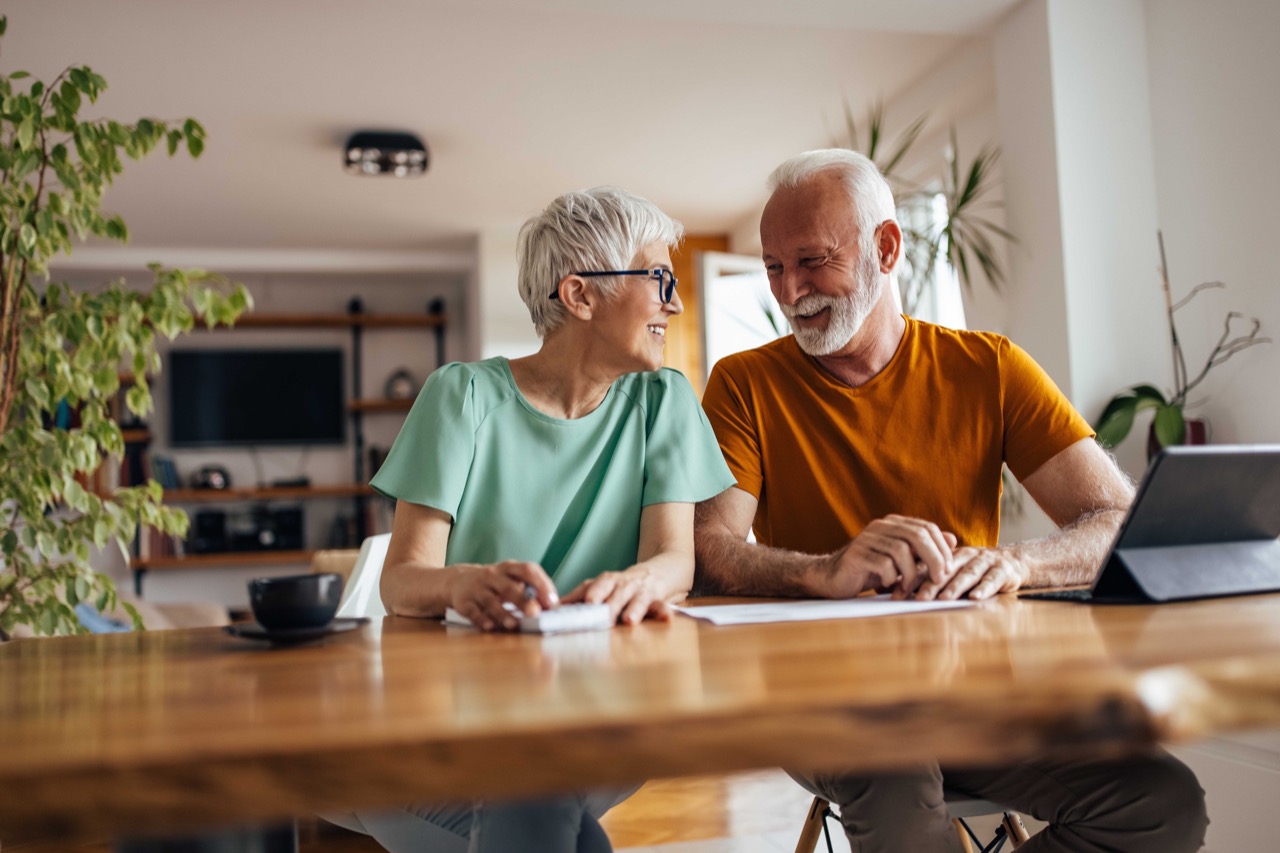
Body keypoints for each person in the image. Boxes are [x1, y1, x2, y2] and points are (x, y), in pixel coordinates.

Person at [694, 149, 1208, 852]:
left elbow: (1117, 520)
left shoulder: (990, 368)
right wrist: (826, 570)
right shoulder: (743, 383)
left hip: (975, 692)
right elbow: (710, 549)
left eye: (812, 260)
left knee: (1162, 802)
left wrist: (1016, 564)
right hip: (823, 697)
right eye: (775, 267)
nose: (790, 291)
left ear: (886, 246)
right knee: (897, 774)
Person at [333, 187, 735, 853]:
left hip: (606, 710)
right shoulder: (461, 395)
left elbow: (675, 560)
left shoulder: (664, 401)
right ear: (580, 296)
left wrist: (641, 581)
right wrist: (462, 583)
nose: (676, 301)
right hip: (457, 719)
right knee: (563, 827)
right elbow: (402, 580)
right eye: (659, 278)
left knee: (544, 804)